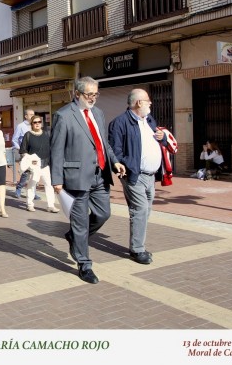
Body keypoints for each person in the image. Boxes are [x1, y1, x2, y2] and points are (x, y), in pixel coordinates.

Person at [51, 76, 125, 284]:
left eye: (95, 94)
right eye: (89, 94)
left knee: (103, 214)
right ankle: (84, 264)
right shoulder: (64, 115)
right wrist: (57, 180)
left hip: (100, 174)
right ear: (77, 94)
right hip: (75, 177)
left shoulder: (98, 114)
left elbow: (103, 143)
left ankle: (74, 237)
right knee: (81, 222)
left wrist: (115, 162)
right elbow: (56, 150)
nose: (93, 98)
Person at [108, 88, 166, 266]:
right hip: (134, 175)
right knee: (139, 210)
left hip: (151, 176)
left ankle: (138, 243)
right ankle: (137, 249)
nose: (151, 104)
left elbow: (158, 141)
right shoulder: (120, 123)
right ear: (139, 103)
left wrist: (162, 138)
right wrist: (126, 166)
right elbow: (115, 151)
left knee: (145, 210)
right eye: (148, 100)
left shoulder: (149, 120)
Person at [19, 115, 59, 213]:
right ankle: (30, 204)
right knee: (32, 184)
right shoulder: (28, 135)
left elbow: (50, 148)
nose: (37, 124)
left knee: (49, 185)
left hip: (45, 163)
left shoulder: (46, 134)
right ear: (31, 124)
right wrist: (30, 159)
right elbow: (23, 150)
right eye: (35, 122)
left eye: (39, 122)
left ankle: (50, 206)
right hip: (34, 165)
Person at [12, 108, 39, 199]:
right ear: (26, 116)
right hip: (25, 153)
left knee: (35, 173)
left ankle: (33, 192)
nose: (32, 116)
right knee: (26, 173)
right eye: (30, 114)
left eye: (33, 114)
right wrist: (21, 150)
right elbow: (14, 140)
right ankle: (19, 189)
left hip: (35, 153)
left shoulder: (35, 125)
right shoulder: (20, 126)